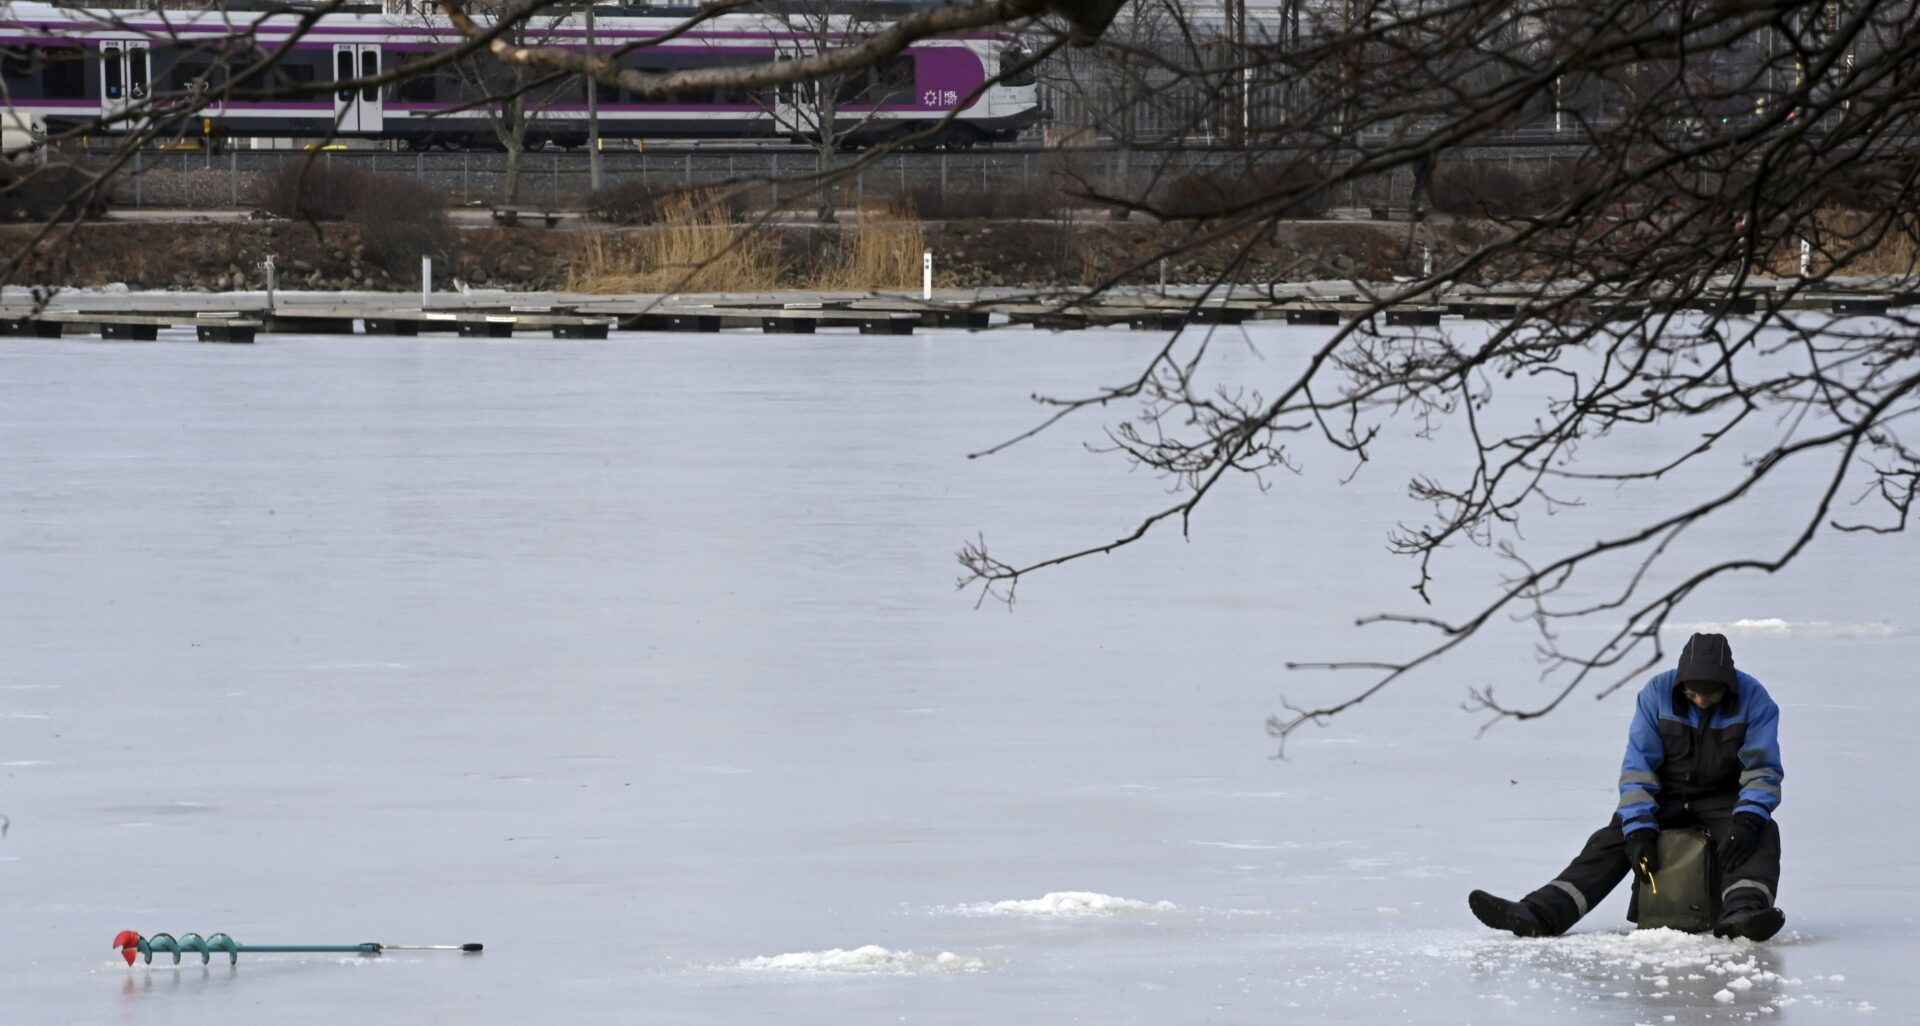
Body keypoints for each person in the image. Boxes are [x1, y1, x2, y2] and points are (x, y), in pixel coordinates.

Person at [1468, 633, 1786, 941]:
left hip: (1723, 799)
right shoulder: (1657, 693)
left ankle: (1743, 914)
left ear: (1727, 685)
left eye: (1711, 694)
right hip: (1666, 796)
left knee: (1761, 832)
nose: (1701, 700)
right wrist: (1638, 829)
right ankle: (1539, 913)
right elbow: (1638, 768)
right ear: (1681, 684)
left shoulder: (1755, 700)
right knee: (1611, 840)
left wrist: (1748, 818)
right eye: (1693, 694)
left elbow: (1763, 770)